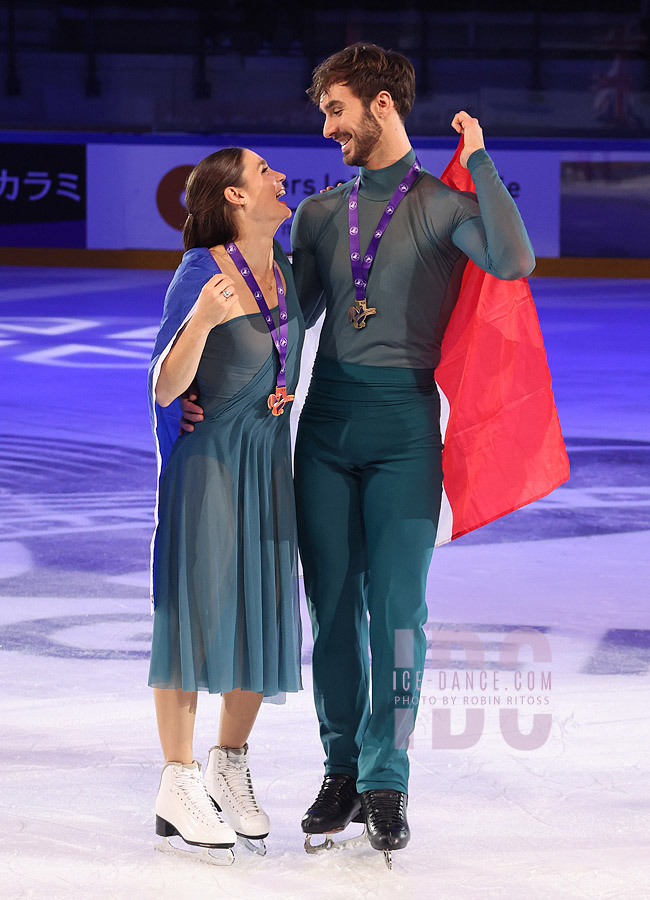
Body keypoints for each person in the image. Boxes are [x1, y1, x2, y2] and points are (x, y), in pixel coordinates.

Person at [180, 43, 536, 865]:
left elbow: (514, 261)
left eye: (336, 110)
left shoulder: (447, 207)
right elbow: (278, 326)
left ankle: (387, 779)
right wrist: (206, 380)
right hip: (327, 428)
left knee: (399, 613)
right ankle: (341, 769)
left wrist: (479, 163)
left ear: (382, 106)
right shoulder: (315, 214)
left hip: (407, 431)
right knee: (332, 611)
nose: (328, 127)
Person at [147, 147, 304, 863]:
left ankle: (228, 761)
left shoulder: (288, 270)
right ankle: (176, 780)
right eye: (265, 171)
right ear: (236, 196)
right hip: (209, 462)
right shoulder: (201, 270)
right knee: (196, 608)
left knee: (263, 607)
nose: (279, 178)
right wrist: (203, 324)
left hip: (268, 460)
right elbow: (163, 385)